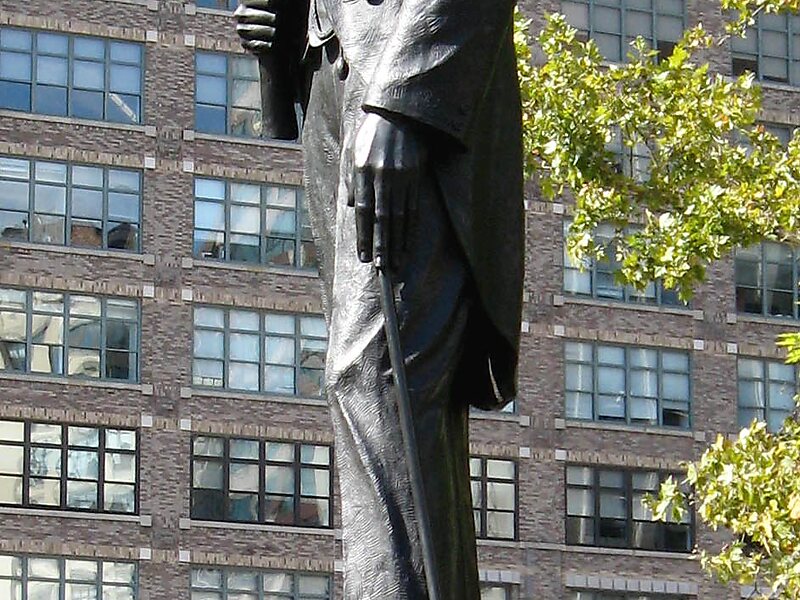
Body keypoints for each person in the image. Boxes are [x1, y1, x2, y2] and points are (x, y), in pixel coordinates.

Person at [234, 0, 524, 597]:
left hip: (399, 85)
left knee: (373, 375)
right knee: (394, 406)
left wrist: (405, 103)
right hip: (328, 80)